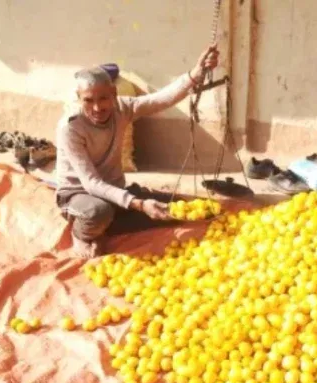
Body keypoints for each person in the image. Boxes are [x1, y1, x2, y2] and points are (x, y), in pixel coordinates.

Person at [55, 45, 219, 258]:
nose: (97, 108)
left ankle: (111, 221)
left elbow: (160, 99)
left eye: (103, 98)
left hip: (113, 191)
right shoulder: (71, 127)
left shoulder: (122, 108)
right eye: (88, 100)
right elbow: (91, 183)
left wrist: (195, 75)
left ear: (113, 94)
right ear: (79, 98)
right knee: (98, 212)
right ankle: (82, 234)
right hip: (79, 194)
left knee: (171, 210)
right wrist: (139, 204)